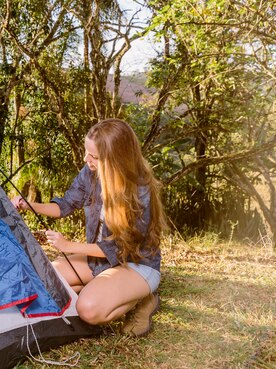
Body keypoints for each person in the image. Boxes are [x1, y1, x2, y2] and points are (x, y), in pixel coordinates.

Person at [11, 118, 167, 336]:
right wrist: (28, 205)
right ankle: (100, 290)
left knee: (88, 309)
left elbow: (118, 248)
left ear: (115, 160)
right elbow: (66, 204)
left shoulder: (139, 192)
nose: (86, 160)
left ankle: (142, 300)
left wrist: (68, 246)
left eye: (93, 156)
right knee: (42, 280)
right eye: (87, 152)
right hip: (99, 261)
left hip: (135, 265)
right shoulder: (90, 173)